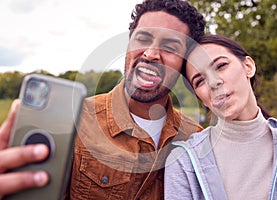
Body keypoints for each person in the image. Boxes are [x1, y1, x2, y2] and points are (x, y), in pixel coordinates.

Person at [0, 0, 206, 199]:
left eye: (170, 47)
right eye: (142, 39)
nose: (151, 54)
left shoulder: (196, 139)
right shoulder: (74, 121)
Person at [164, 34, 277, 200]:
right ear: (201, 98)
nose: (213, 83)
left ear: (248, 66)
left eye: (220, 66)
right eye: (200, 81)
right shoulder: (183, 162)